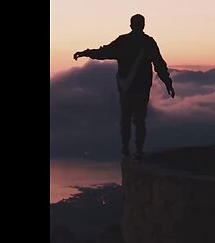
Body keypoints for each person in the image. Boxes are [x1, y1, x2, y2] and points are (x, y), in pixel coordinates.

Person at [73, 14, 175, 162]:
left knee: (125, 119)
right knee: (139, 120)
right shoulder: (148, 42)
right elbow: (159, 64)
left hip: (125, 88)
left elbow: (104, 52)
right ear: (143, 25)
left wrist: (85, 53)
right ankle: (139, 151)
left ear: (130, 25)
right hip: (141, 88)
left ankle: (126, 149)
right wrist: (168, 82)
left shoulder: (123, 41)